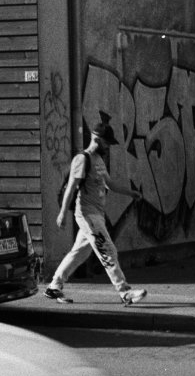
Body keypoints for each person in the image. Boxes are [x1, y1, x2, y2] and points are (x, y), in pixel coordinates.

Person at [44, 121, 146, 306]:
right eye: (107, 142)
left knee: (80, 253)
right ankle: (125, 292)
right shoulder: (82, 159)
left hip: (96, 215)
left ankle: (54, 286)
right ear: (97, 139)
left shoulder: (98, 160)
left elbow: (110, 184)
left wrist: (130, 193)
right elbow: (71, 187)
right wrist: (62, 213)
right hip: (87, 214)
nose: (108, 146)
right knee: (108, 250)